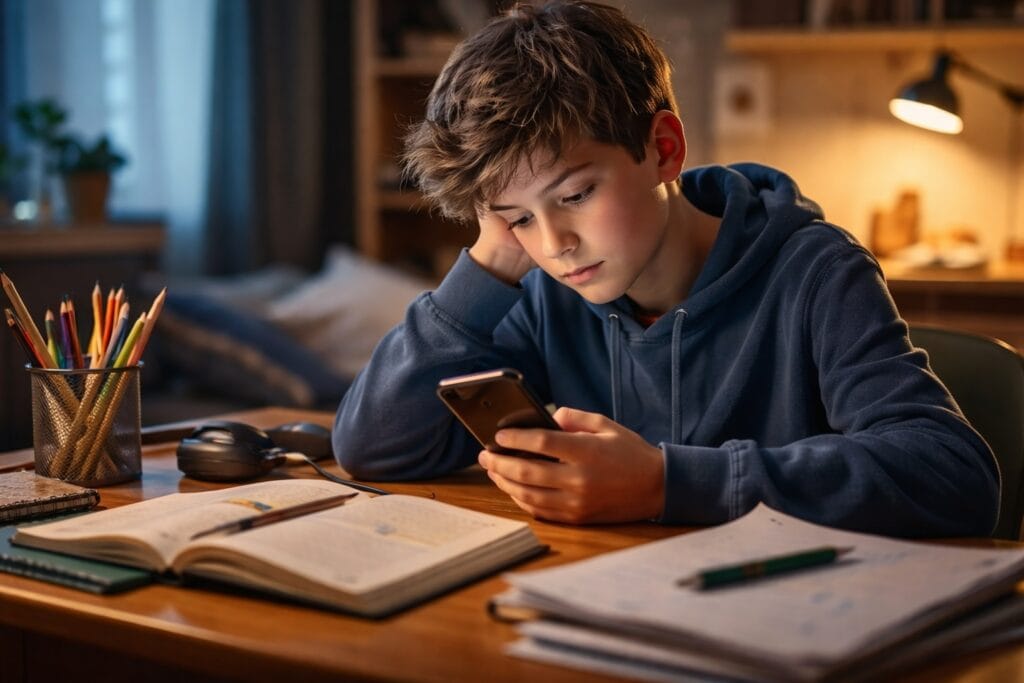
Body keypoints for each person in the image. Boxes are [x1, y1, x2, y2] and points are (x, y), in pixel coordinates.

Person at [333, 1, 997, 536]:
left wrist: (664, 481)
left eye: (574, 195)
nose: (556, 242)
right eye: (518, 217)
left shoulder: (816, 272)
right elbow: (374, 447)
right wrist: (489, 264)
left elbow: (954, 476)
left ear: (664, 149)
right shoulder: (540, 290)